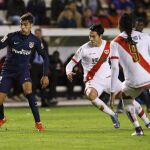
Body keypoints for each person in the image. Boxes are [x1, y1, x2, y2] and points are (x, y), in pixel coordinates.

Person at [0, 13, 49, 131]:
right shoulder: (11, 36)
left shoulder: (35, 41)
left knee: (28, 91)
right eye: (21, 24)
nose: (22, 27)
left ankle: (38, 123)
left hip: (23, 71)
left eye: (25, 24)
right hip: (8, 71)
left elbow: (45, 57)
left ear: (31, 25)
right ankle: (2, 118)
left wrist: (45, 74)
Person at [66, 24, 120, 129]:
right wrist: (68, 71)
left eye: (93, 36)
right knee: (90, 95)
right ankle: (113, 115)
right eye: (89, 36)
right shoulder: (83, 49)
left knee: (128, 94)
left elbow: (116, 62)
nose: (91, 39)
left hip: (109, 78)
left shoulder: (109, 46)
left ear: (101, 36)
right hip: (93, 81)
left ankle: (145, 121)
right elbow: (70, 64)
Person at [110, 13, 150, 136]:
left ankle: (138, 129)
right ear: (133, 24)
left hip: (134, 82)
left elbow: (115, 68)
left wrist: (112, 92)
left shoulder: (115, 42)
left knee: (126, 99)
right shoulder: (145, 36)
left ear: (119, 25)